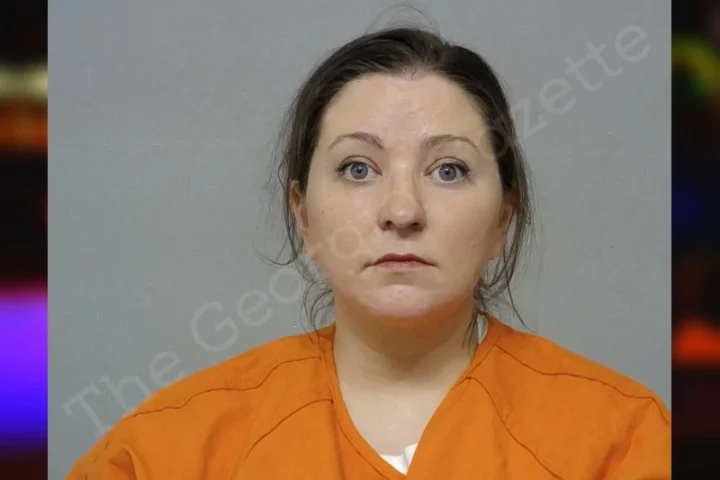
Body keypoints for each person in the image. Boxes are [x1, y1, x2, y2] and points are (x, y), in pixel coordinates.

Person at [68, 26, 670, 479]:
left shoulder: (623, 441)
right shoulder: (167, 451)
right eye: (358, 168)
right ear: (303, 215)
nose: (402, 211)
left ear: (501, 221)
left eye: (449, 169)